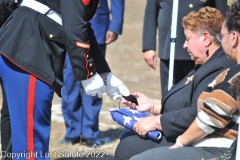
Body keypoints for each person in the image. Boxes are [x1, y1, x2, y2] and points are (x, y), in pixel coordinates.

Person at [0, 0, 130, 159]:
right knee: (31, 148)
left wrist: (104, 74)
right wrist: (87, 74)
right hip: (31, 49)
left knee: (25, 142)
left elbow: (80, 24)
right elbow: (74, 25)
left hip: (27, 44)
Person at [114, 6, 236, 160]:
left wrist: (157, 121)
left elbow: (198, 113)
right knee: (128, 140)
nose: (184, 45)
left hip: (204, 143)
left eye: (188, 38)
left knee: (129, 149)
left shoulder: (219, 67)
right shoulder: (205, 65)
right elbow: (185, 103)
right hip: (191, 137)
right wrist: (151, 105)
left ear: (205, 39)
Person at [61, 0, 125, 146]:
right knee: (70, 82)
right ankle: (72, 131)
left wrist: (115, 23)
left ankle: (90, 131)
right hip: (68, 23)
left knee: (95, 78)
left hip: (97, 22)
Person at [142, 0, 229, 98]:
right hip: (169, 47)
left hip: (200, 49)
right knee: (169, 93)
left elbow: (223, 14)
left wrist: (226, 44)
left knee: (195, 92)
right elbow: (151, 11)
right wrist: (148, 46)